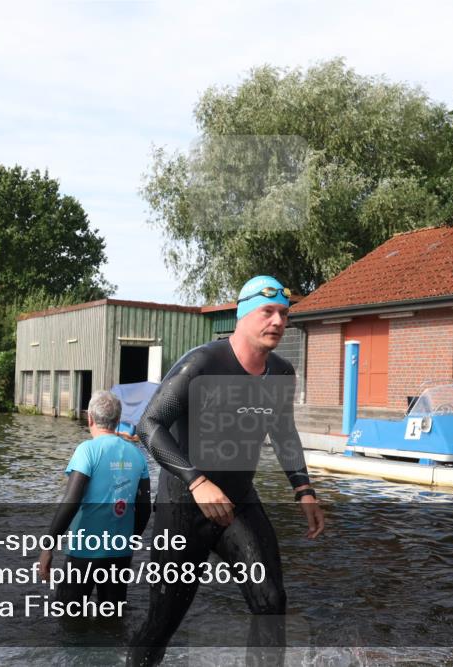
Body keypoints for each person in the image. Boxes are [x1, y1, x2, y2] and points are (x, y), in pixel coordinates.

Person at [127, 275, 325, 666]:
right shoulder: (202, 364)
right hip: (183, 509)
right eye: (268, 312)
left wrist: (304, 490)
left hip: (239, 503)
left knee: (272, 603)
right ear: (243, 314)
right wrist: (196, 480)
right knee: (162, 623)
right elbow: (148, 426)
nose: (278, 322)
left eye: (284, 314)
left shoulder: (281, 374)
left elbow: (283, 430)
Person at [38, 390, 151, 607]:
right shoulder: (137, 455)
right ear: (118, 421)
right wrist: (129, 538)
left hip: (84, 552)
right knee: (113, 618)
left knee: (68, 617)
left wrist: (48, 547)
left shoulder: (87, 451)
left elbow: (71, 501)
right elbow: (144, 509)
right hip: (120, 552)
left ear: (89, 418)